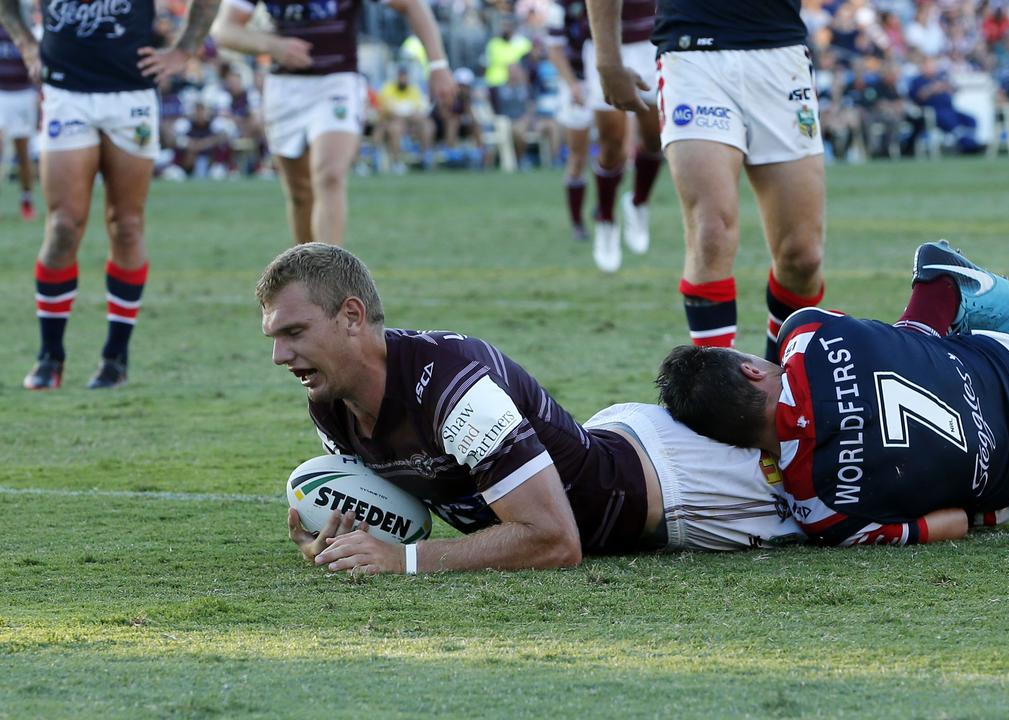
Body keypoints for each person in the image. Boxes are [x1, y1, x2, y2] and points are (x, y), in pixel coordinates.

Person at [259, 243, 808, 575]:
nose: (280, 355)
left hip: (681, 484)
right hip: (612, 457)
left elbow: (555, 541)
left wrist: (400, 563)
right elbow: (402, 519)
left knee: (853, 495)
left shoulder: (452, 384)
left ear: (352, 315)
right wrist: (343, 541)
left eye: (295, 332)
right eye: (274, 337)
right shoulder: (330, 402)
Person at [657, 242, 1009, 547]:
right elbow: (879, 346)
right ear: (750, 369)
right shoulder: (802, 332)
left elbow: (954, 523)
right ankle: (939, 285)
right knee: (898, 346)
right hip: (1008, 361)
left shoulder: (819, 513)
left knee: (957, 502)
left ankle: (941, 295)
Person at [588, 0, 826, 364]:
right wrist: (607, 58)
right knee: (710, 233)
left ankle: (779, 388)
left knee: (803, 257)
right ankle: (717, 405)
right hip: (692, 54)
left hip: (781, 55)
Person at [2, 0, 221, 390]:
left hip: (130, 93)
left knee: (126, 225)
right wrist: (26, 43)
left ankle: (115, 358)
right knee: (65, 225)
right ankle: (50, 356)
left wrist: (184, 50)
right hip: (66, 90)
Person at [211, 0, 456, 246]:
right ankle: (307, 273)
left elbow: (411, 5)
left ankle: (328, 277)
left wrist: (438, 65)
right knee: (300, 194)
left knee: (330, 176)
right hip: (284, 87)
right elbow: (224, 29)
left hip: (337, 81)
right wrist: (272, 45)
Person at [578, 0, 664, 273]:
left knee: (656, 137)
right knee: (612, 141)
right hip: (606, 42)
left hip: (652, 38)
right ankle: (605, 218)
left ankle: (638, 202)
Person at [544, 0, 594, 242]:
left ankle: (605, 211)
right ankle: (577, 222)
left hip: (608, 78)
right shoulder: (560, 8)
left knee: (616, 150)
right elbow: (554, 51)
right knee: (578, 156)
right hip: (579, 82)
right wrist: (573, 84)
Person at [0, 23, 36, 221]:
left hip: (22, 94)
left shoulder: (22, 28)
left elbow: (35, 61)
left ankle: (27, 199)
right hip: (1, 94)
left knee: (23, 154)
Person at [377, 64, 434, 174]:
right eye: (401, 76)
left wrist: (410, 115)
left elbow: (419, 109)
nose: (403, 79)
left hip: (411, 122)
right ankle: (397, 162)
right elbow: (388, 110)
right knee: (395, 128)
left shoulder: (413, 89)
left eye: (405, 76)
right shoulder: (388, 88)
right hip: (394, 122)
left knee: (427, 125)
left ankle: (425, 158)